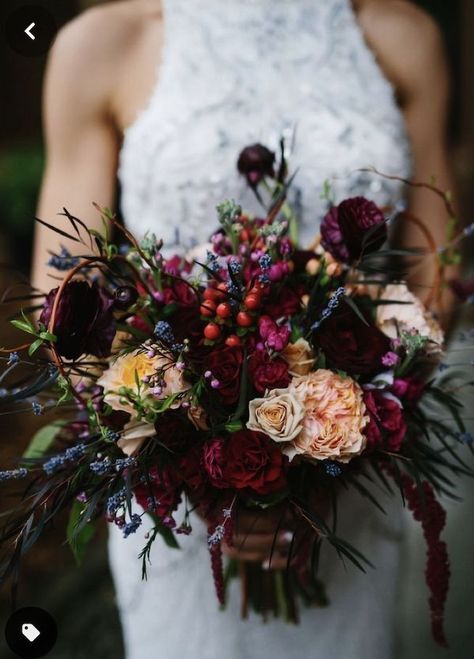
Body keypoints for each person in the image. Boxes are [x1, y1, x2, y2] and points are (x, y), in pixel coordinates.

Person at [31, 1, 456, 657]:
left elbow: (439, 267)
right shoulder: (104, 43)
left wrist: (335, 443)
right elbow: (64, 303)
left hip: (355, 475)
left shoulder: (404, 35)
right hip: (178, 504)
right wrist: (198, 463)